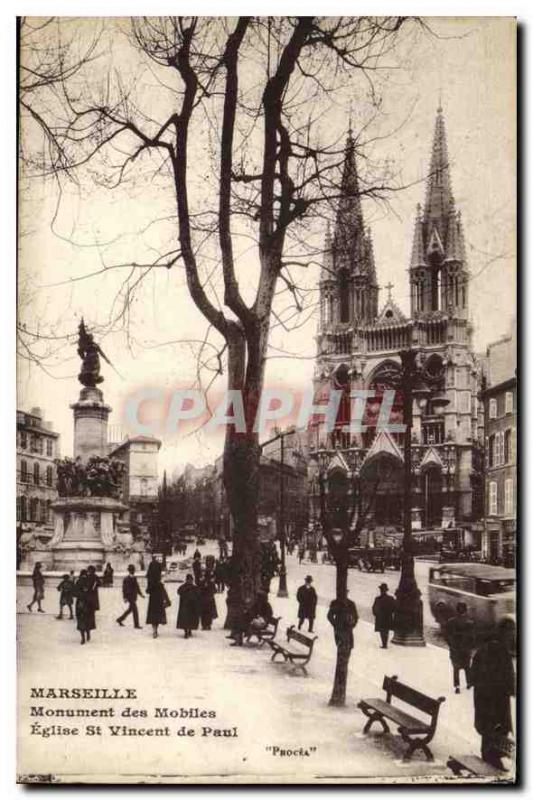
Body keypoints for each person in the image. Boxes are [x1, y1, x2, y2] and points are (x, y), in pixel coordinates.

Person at [469, 620, 515, 770]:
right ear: (505, 633)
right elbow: (510, 680)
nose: (512, 635)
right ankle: (492, 761)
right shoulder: (503, 653)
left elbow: (472, 675)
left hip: (483, 700)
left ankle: (489, 758)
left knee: (487, 730)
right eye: (511, 632)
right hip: (497, 701)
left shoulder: (483, 649)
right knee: (498, 729)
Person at [445, 601, 476, 693]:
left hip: (455, 649)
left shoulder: (451, 622)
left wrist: (451, 644)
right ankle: (469, 683)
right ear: (466, 610)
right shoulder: (470, 623)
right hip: (466, 649)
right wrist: (470, 647)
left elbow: (446, 635)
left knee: (456, 668)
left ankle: (457, 686)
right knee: (467, 667)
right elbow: (473, 637)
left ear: (456, 610)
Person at [117, 565, 144, 629]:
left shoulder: (134, 578)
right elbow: (124, 589)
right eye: (132, 570)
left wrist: (141, 594)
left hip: (134, 597)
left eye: (133, 570)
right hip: (129, 597)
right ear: (129, 571)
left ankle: (119, 620)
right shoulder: (126, 579)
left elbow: (137, 587)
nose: (133, 571)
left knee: (130, 610)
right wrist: (125, 597)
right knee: (135, 610)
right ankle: (136, 625)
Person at [372, 583, 396, 649]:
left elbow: (374, 608)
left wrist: (377, 614)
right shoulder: (390, 598)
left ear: (381, 590)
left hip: (380, 618)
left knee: (382, 631)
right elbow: (394, 608)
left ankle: (384, 644)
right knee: (386, 630)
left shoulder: (378, 599)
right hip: (388, 617)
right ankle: (385, 644)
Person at [73, 570, 95, 644]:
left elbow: (74, 593)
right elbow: (92, 592)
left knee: (81, 620)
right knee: (88, 619)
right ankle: (88, 633)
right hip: (88, 603)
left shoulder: (78, 581)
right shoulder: (89, 581)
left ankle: (82, 638)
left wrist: (80, 594)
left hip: (80, 603)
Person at [177, 574, 200, 638]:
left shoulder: (194, 587)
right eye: (189, 580)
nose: (190, 581)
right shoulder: (183, 587)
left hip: (192, 606)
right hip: (185, 606)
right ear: (186, 580)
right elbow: (179, 592)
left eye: (191, 580)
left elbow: (198, 595)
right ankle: (186, 632)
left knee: (191, 619)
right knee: (185, 619)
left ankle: (189, 630)